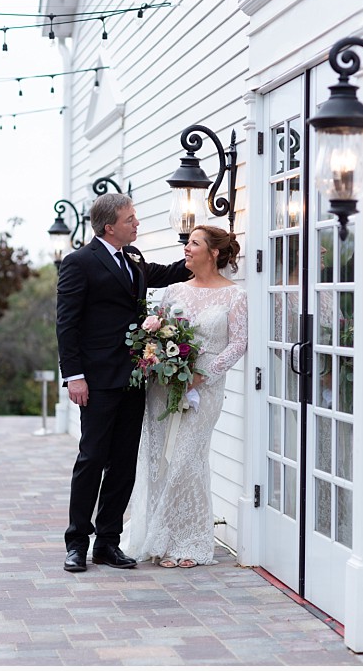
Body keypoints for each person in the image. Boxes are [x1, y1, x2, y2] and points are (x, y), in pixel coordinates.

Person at [56, 193, 191, 573]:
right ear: (109, 226)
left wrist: (204, 256)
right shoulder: (78, 262)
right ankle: (76, 543)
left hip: (134, 375)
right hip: (96, 380)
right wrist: (74, 376)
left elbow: (163, 274)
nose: (137, 224)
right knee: (92, 458)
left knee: (123, 463)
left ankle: (108, 543)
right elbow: (66, 324)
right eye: (131, 219)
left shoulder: (132, 258)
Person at [123, 225, 247, 568]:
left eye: (194, 243)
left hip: (205, 387)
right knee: (161, 458)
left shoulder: (235, 295)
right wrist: (159, 361)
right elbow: (159, 333)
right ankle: (161, 539)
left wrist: (202, 374)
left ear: (215, 253)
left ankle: (188, 541)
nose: (186, 249)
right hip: (164, 386)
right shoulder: (174, 290)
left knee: (189, 458)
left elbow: (238, 343)